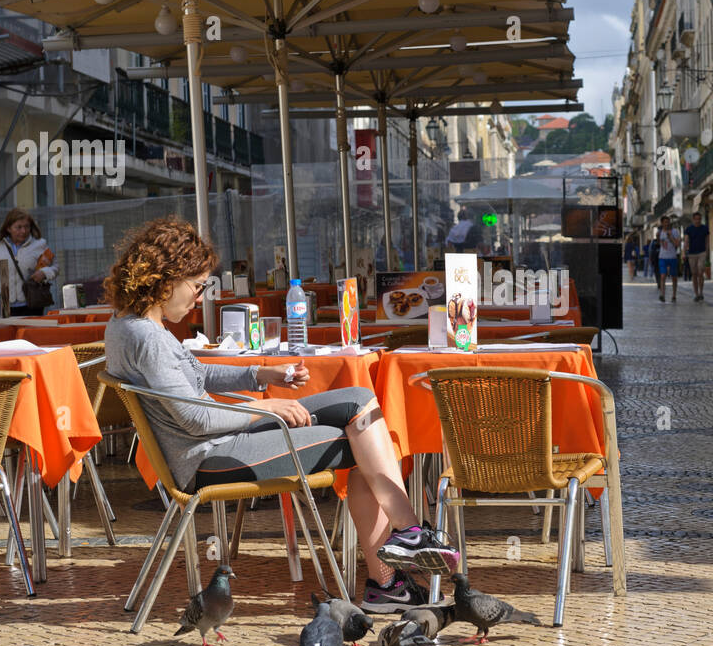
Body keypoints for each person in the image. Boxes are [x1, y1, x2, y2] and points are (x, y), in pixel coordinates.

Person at [103, 217, 459, 614]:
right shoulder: (148, 337)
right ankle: (393, 570)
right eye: (198, 285)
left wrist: (258, 374)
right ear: (167, 278)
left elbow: (195, 373)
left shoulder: (129, 324)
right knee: (365, 445)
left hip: (212, 445)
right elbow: (196, 420)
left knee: (360, 401)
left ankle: (405, 542)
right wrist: (266, 407)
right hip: (211, 456)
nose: (200, 296)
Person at [0, 207, 59, 316]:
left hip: (31, 305)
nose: (24, 231)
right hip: (3, 306)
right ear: (8, 228)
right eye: (19, 227)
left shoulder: (40, 244)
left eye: (27, 226)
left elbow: (56, 267)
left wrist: (44, 273)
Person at [684, 212, 710, 302]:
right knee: (694, 274)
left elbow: (707, 240)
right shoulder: (689, 229)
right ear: (693, 219)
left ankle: (701, 292)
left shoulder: (704, 228)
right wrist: (684, 253)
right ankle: (696, 293)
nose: (698, 221)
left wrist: (707, 252)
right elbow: (686, 241)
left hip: (702, 252)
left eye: (699, 219)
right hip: (692, 254)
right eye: (696, 219)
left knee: (700, 271)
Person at [655, 215, 681, 302]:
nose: (667, 224)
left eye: (668, 222)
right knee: (663, 276)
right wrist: (658, 238)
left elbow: (677, 244)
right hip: (662, 257)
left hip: (672, 257)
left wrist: (670, 237)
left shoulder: (675, 232)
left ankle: (674, 295)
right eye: (665, 222)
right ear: (662, 223)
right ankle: (662, 295)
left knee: (674, 277)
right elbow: (659, 244)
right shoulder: (660, 232)